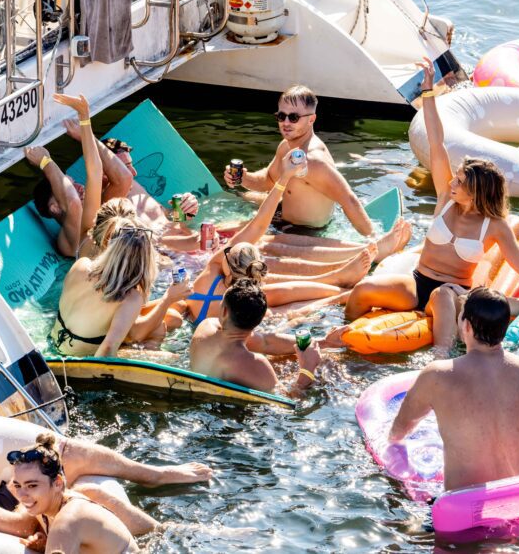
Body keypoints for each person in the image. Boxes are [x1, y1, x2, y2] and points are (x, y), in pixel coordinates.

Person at [328, 57, 519, 352]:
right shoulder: (446, 200)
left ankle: (440, 359)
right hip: (417, 282)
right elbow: (437, 142)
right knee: (363, 290)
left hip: (455, 293)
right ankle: (342, 342)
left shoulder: (494, 225)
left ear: (476, 192)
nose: (451, 183)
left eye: (459, 181)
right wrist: (428, 92)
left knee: (441, 295)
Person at [189, 152, 380, 324]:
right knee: (282, 308)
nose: (225, 249)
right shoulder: (241, 300)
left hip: (215, 323)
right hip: (240, 322)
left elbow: (257, 227)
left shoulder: (209, 277)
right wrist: (284, 178)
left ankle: (338, 286)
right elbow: (259, 226)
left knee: (277, 308)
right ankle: (340, 293)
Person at [0, 415, 212, 543]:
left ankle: (155, 479)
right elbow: (20, 528)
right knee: (87, 497)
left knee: (81, 481)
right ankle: (162, 534)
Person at [388, 287, 519, 491]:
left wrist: (389, 442)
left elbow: (399, 431)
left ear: (466, 325)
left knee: (397, 500)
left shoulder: (437, 375)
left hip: (463, 505)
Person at [223, 84, 374, 236]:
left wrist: (372, 240)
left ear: (311, 119)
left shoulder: (313, 160)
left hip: (304, 232)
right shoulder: (286, 146)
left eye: (294, 117)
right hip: (282, 214)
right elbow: (268, 180)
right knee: (240, 198)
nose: (286, 123)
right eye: (281, 116)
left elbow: (349, 201)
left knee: (226, 234)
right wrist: (242, 177)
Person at [52, 216, 191, 356]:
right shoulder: (131, 298)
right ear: (145, 260)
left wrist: (170, 299)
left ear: (111, 248)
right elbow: (108, 348)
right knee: (170, 355)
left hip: (54, 345)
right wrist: (167, 298)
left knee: (176, 308)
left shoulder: (81, 265)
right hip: (80, 359)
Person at [8, 433, 140, 553]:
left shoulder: (68, 520)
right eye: (18, 485)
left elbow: (66, 529)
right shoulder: (49, 507)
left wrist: (56, 541)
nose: (22, 495)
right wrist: (47, 543)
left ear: (58, 483)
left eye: (32, 485)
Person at [26, 93, 121, 258]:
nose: (79, 187)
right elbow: (73, 203)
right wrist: (46, 163)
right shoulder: (70, 241)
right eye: (70, 186)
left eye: (73, 182)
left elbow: (96, 172)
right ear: (55, 207)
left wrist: (84, 118)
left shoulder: (92, 219)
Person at [190, 278, 321, 393]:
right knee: (325, 365)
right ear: (258, 321)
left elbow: (265, 341)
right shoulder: (257, 364)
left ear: (224, 311)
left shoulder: (205, 327)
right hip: (227, 414)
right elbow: (288, 404)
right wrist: (307, 369)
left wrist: (323, 342)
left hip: (192, 393)